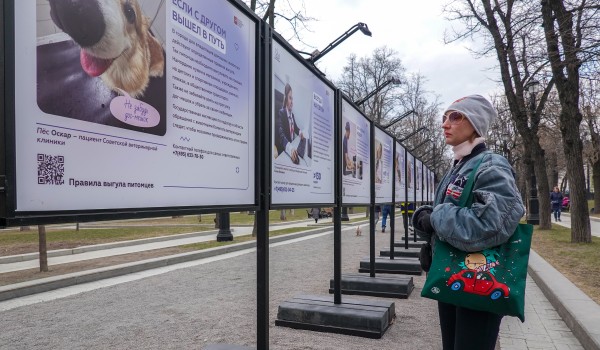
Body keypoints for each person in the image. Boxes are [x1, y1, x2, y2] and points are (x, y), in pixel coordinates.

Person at [411, 95, 525, 350]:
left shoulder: (492, 165)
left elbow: (490, 226)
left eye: (455, 116)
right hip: (454, 278)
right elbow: (452, 212)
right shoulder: (460, 166)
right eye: (444, 117)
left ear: (475, 123)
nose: (445, 124)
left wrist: (435, 218)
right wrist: (428, 231)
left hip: (481, 283)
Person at [275, 83, 304, 164]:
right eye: (290, 98)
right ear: (285, 99)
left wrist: (300, 132)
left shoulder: (292, 115)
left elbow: (296, 128)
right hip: (285, 149)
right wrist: (290, 148)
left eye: (292, 99)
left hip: (292, 147)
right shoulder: (281, 113)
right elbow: (281, 135)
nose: (292, 102)